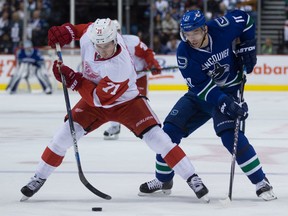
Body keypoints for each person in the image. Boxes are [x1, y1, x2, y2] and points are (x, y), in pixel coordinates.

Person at [20, 18, 209, 202]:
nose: (103, 50)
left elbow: (98, 98)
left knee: (159, 140)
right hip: (93, 101)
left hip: (126, 102)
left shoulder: (121, 65)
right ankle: (38, 177)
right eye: (99, 46)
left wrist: (73, 80)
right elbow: (83, 29)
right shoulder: (90, 36)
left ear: (116, 39)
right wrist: (67, 32)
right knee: (62, 137)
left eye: (107, 45)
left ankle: (193, 178)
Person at [138, 10, 277, 201]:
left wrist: (248, 45)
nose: (191, 38)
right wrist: (224, 103)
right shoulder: (184, 52)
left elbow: (246, 19)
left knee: (230, 136)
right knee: (168, 133)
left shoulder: (222, 28)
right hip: (200, 96)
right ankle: (163, 180)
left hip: (229, 90)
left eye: (195, 32)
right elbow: (201, 87)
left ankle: (261, 181)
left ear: (204, 28)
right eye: (187, 34)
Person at [103, 20, 162, 140]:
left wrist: (153, 64)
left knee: (139, 102)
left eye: (118, 31)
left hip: (138, 78)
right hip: (120, 78)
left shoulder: (132, 42)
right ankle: (115, 126)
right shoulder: (105, 46)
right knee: (113, 100)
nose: (117, 34)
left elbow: (147, 53)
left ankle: (149, 126)